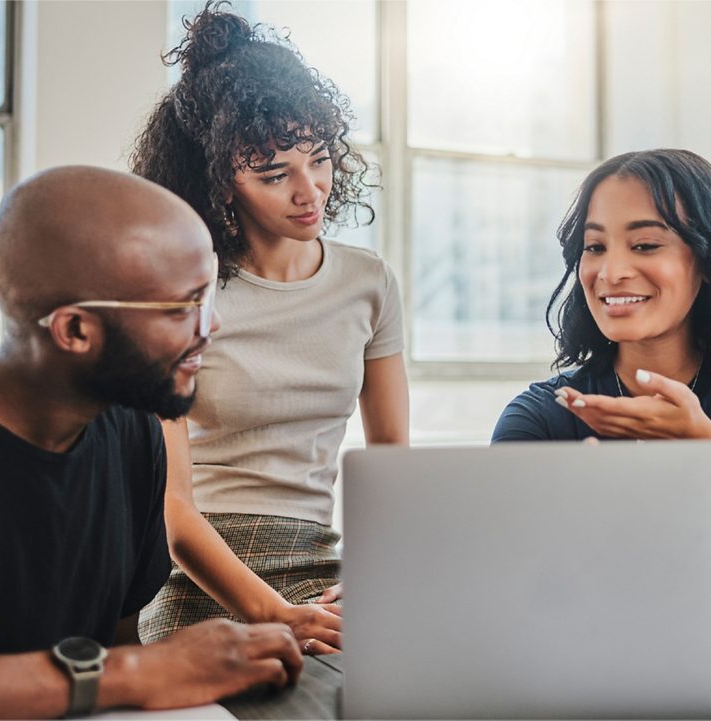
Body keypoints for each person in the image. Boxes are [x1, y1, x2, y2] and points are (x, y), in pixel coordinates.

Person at [0, 166, 303, 718]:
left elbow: (116, 656)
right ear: (75, 330)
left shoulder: (132, 434)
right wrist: (129, 673)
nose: (212, 324)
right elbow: (119, 670)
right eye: (183, 307)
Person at [130, 2, 407, 653]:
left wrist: (379, 576)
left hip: (324, 570)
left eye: (319, 158)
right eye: (274, 174)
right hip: (200, 578)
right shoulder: (184, 294)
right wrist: (276, 612)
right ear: (220, 179)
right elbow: (175, 513)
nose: (309, 190)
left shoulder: (369, 282)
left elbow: (392, 457)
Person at [492, 149, 711, 623]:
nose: (611, 273)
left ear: (708, 258)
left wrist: (707, 457)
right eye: (595, 248)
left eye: (645, 245)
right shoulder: (540, 415)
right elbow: (512, 593)